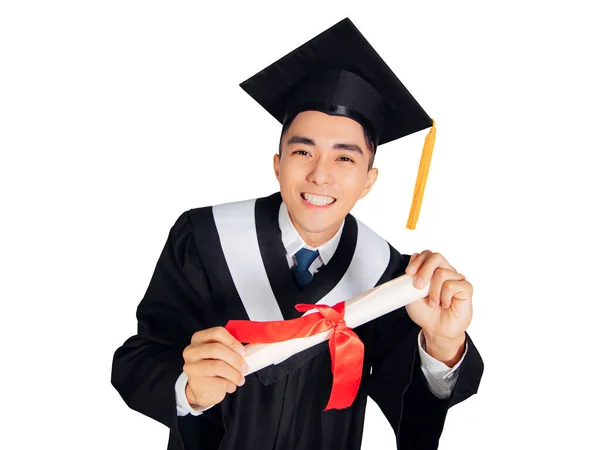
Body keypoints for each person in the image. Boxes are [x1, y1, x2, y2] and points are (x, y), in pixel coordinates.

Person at [111, 18, 484, 450]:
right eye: (303, 151)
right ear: (277, 163)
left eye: (345, 159)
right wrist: (187, 389)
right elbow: (136, 362)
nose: (320, 175)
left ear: (369, 180)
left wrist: (442, 343)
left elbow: (413, 408)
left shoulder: (389, 277)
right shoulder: (205, 238)